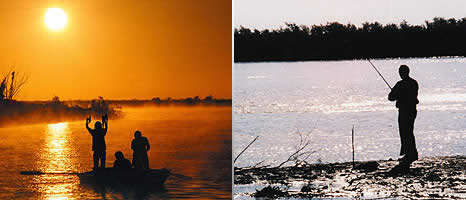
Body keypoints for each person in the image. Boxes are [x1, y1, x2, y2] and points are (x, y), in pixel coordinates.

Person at [388, 65, 419, 166]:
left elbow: (390, 97)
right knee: (409, 131)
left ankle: (410, 153)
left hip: (404, 111)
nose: (400, 74)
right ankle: (412, 153)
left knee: (405, 132)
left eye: (401, 72)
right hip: (412, 110)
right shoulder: (414, 83)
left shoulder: (400, 84)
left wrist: (396, 94)